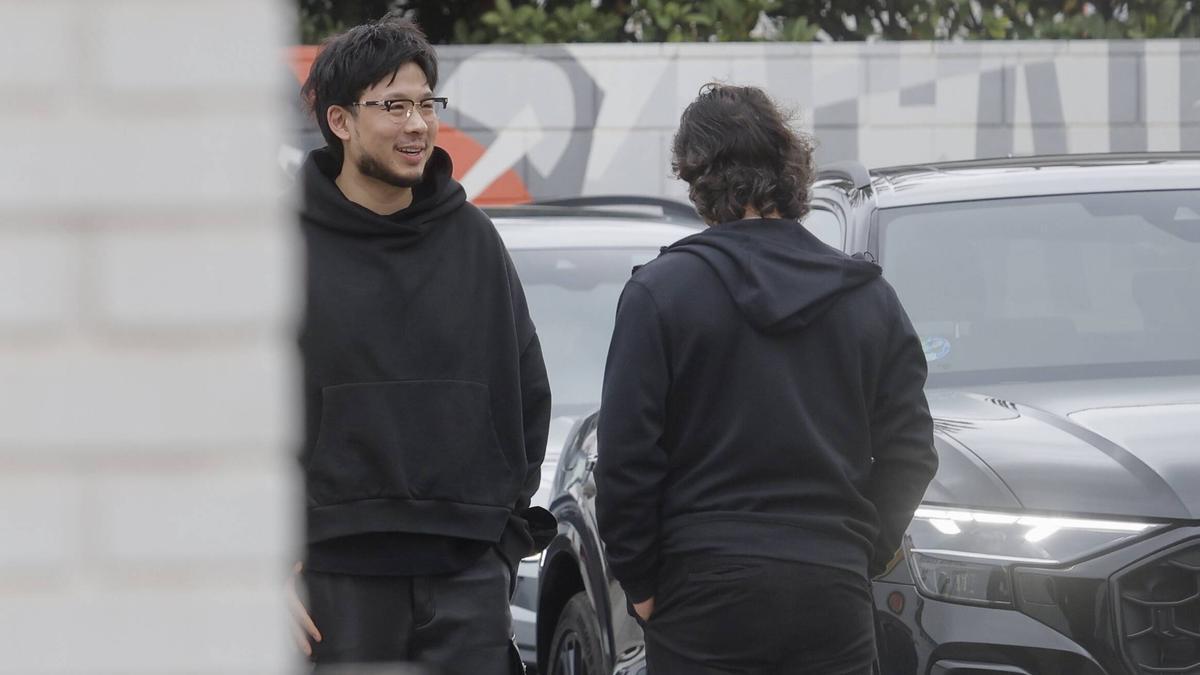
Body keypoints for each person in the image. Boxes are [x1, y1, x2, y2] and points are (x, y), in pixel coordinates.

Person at [594, 83, 937, 674]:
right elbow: (911, 450)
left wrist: (642, 584)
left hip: (699, 590)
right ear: (789, 168)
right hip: (830, 591)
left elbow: (625, 462)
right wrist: (862, 553)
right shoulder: (867, 297)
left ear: (695, 174)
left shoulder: (660, 292)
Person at [289, 13, 552, 675]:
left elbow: (524, 393)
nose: (417, 124)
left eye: (426, 104)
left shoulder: (474, 241)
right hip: (329, 580)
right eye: (394, 105)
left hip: (465, 574)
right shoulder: (281, 250)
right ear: (340, 121)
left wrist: (500, 538)